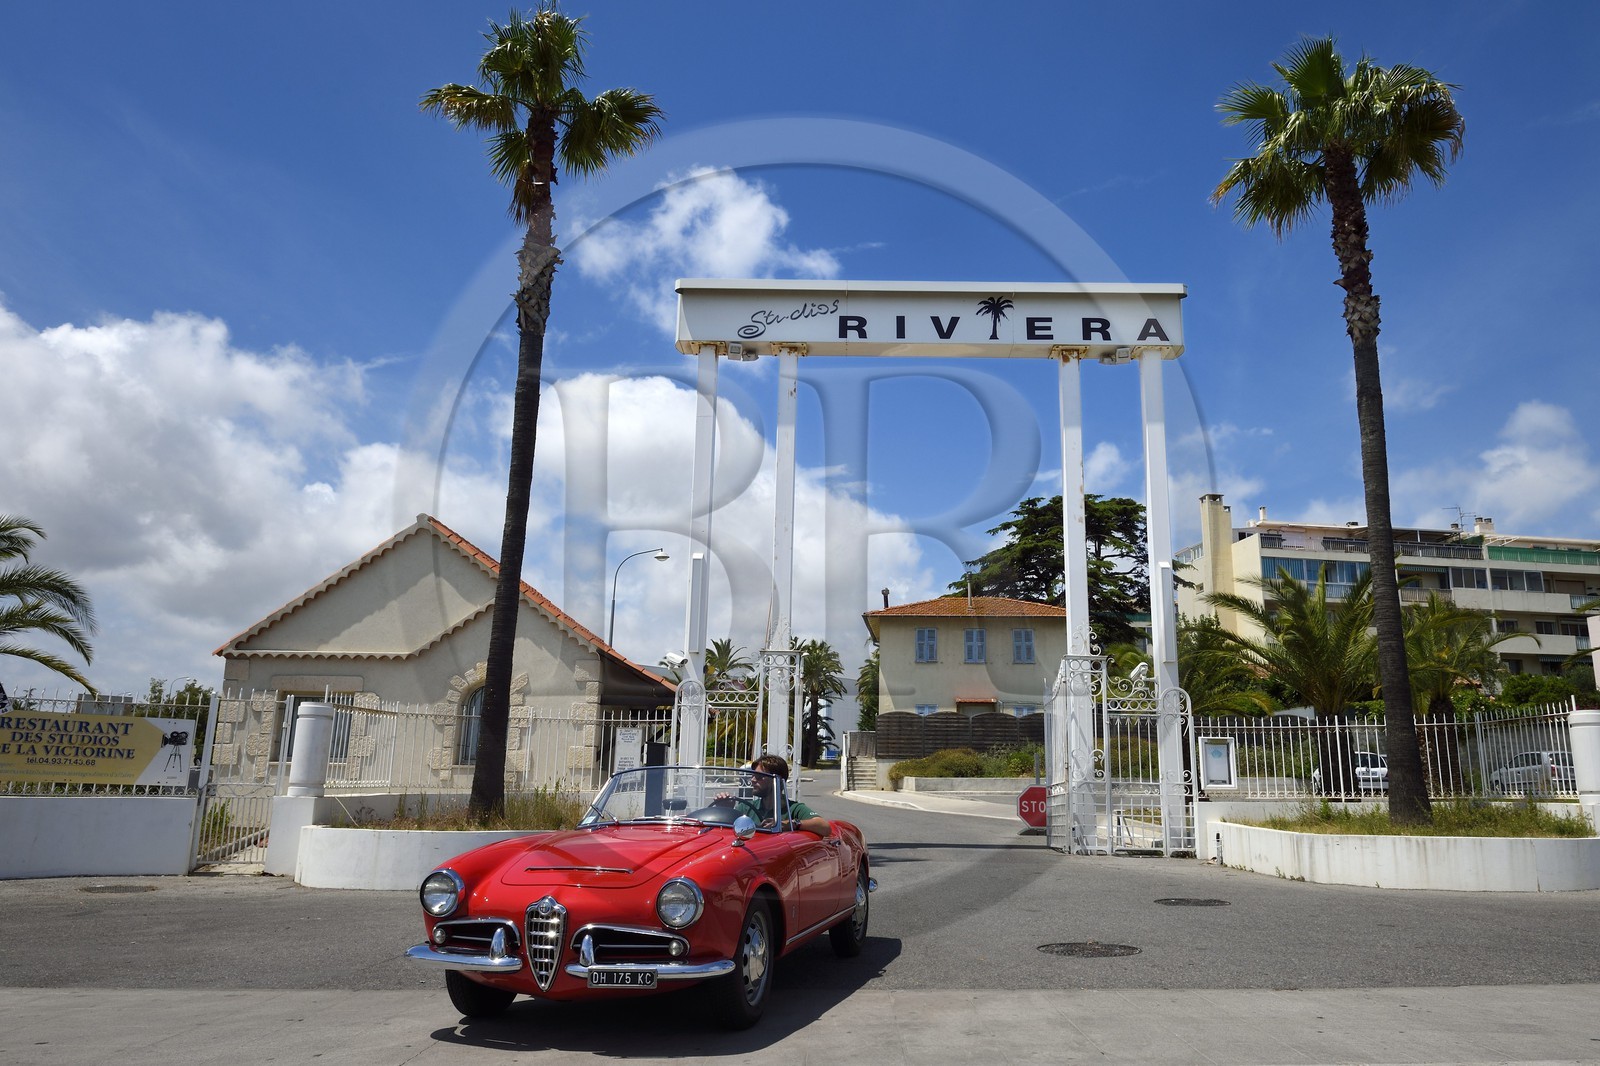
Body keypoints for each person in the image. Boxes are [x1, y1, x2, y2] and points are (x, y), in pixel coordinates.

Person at [720, 753, 831, 836]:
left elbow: (824, 827)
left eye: (759, 776)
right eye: (753, 775)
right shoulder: (746, 808)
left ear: (777, 780)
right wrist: (726, 809)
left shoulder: (793, 809)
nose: (753, 780)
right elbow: (726, 834)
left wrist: (789, 824)